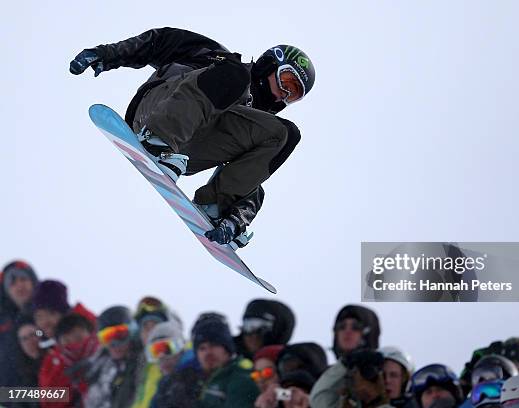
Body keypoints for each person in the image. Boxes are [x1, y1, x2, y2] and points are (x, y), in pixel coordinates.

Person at [69, 27, 315, 246]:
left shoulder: (256, 122)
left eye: (293, 95)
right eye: (287, 82)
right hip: (158, 112)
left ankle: (216, 206)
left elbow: (251, 177)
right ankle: (157, 141)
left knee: (285, 134)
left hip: (188, 149)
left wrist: (236, 218)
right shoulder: (219, 60)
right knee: (236, 77)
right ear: (270, 64)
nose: (284, 95)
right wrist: (107, 53)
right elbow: (158, 41)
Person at [310, 305, 381, 408]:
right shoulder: (330, 376)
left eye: (356, 327)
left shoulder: (384, 371)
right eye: (341, 326)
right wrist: (345, 363)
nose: (347, 331)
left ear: (368, 333)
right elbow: (318, 402)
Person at [38, 313, 100, 408]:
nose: (74, 344)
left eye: (78, 338)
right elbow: (48, 401)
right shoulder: (53, 364)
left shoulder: (108, 354)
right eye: (67, 341)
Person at [85, 306, 141, 408]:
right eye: (107, 337)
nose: (114, 344)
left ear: (132, 332)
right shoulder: (101, 366)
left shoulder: (140, 364)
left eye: (120, 335)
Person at [0, 260, 38, 386]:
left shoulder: (51, 313)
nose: (19, 285)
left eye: (23, 279)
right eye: (13, 283)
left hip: (54, 394)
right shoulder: (4, 327)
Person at [131, 296, 174, 408]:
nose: (151, 333)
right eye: (145, 328)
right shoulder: (143, 364)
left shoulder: (177, 356)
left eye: (156, 326)